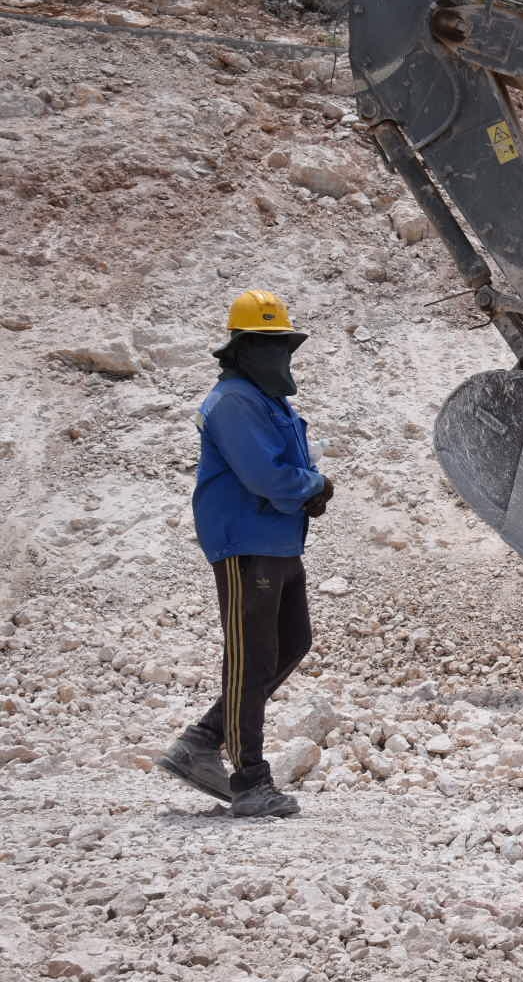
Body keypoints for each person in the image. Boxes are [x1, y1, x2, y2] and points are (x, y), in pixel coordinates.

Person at [156, 290, 334, 818]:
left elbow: (284, 469)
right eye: (270, 345)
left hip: (277, 539)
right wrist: (313, 486)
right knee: (251, 655)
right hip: (245, 543)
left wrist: (309, 490)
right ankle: (250, 780)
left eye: (284, 345)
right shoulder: (234, 401)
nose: (281, 355)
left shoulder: (266, 398)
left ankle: (201, 741)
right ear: (244, 348)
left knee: (291, 642)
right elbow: (264, 475)